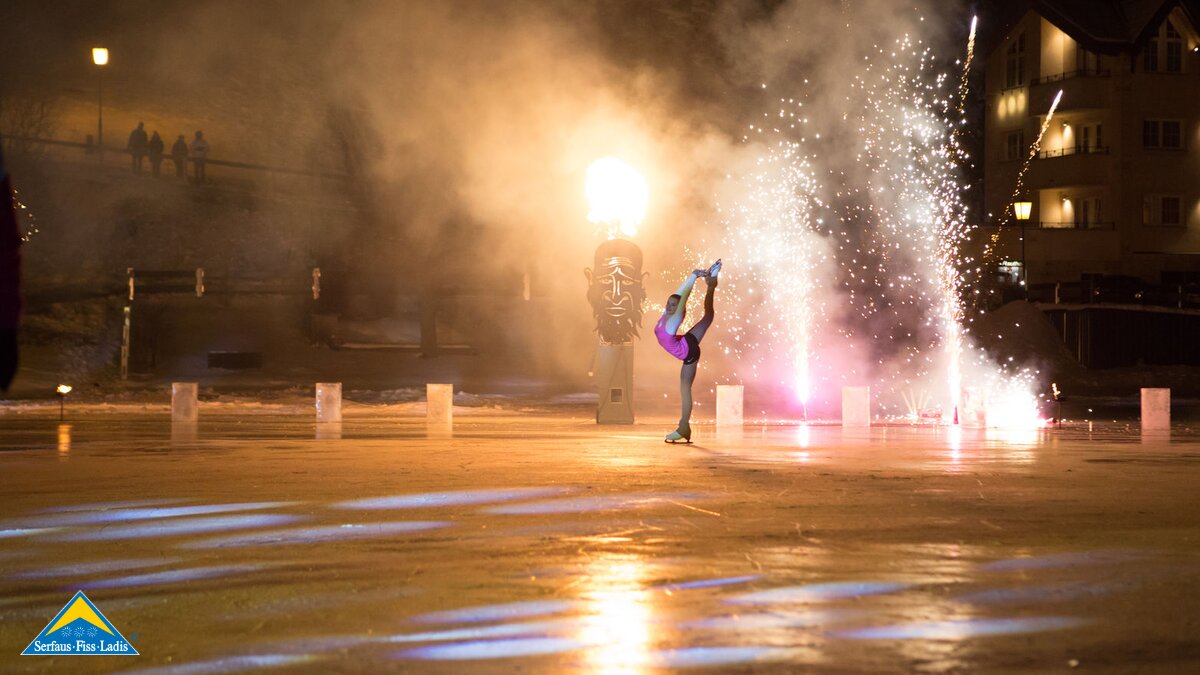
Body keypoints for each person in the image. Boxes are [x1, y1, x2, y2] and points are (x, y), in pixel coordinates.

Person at [655, 259, 721, 443]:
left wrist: (694, 278)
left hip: (689, 353)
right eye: (668, 303)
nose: (669, 306)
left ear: (678, 309)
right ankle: (712, 281)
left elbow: (683, 297)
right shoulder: (666, 314)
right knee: (708, 316)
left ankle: (684, 427)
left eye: (673, 305)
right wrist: (693, 275)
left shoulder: (674, 319)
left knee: (685, 389)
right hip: (686, 341)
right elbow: (678, 293)